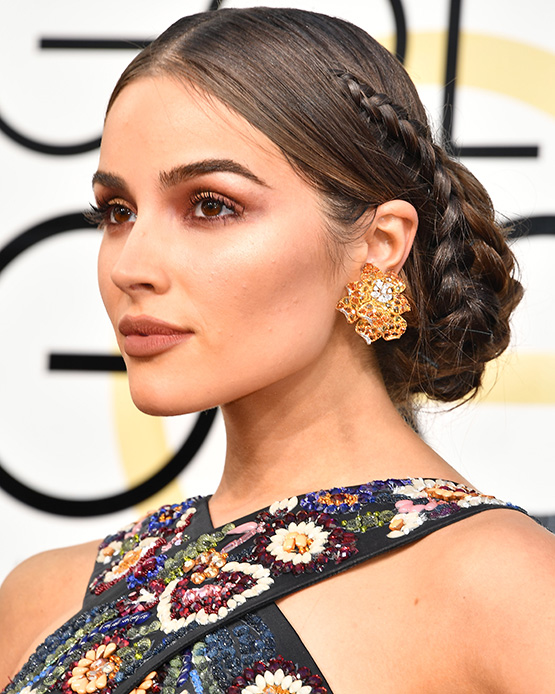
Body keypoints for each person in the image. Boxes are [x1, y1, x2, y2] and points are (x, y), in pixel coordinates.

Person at [1, 7, 554, 693]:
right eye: (118, 212)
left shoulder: (510, 593)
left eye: (210, 205)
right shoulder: (38, 600)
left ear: (378, 244)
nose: (129, 266)